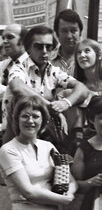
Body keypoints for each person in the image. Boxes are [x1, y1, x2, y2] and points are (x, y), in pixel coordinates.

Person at [7, 24, 89, 152]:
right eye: (39, 46)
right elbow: (17, 87)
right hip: (16, 133)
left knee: (70, 94)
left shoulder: (54, 71)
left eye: (49, 47)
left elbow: (82, 89)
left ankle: (74, 145)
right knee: (22, 101)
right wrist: (50, 108)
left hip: (41, 132)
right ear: (28, 48)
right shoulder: (19, 67)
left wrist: (65, 103)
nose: (44, 51)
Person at [0, 24, 27, 135]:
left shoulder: (32, 65)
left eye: (10, 37)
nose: (5, 41)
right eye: (3, 38)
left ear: (23, 40)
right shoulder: (3, 65)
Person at [51, 9, 83, 76]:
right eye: (64, 31)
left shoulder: (88, 60)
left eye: (73, 31)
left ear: (80, 33)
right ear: (57, 34)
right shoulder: (48, 60)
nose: (69, 36)